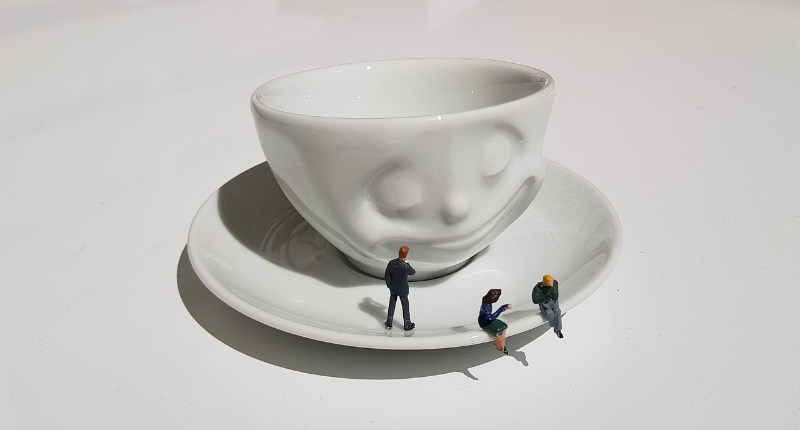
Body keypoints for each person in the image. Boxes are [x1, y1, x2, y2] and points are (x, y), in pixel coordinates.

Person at [384, 245, 416, 331]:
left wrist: (389, 285)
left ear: (399, 252)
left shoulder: (391, 263)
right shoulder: (405, 266)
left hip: (393, 287)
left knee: (392, 305)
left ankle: (389, 323)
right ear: (406, 255)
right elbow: (413, 272)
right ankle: (407, 323)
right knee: (405, 307)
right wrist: (407, 263)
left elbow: (387, 275)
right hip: (403, 289)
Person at [478, 289, 512, 354]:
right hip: (485, 323)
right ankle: (500, 346)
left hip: (487, 321)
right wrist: (502, 308)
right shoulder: (486, 306)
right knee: (500, 329)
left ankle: (502, 345)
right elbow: (491, 317)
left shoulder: (487, 304)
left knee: (504, 326)